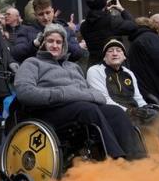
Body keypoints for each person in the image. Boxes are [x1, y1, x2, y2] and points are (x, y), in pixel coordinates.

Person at [14, 24, 147, 161]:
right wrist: (61, 94)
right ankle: (115, 159)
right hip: (49, 111)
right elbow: (24, 92)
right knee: (88, 109)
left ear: (64, 45)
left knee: (115, 111)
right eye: (50, 41)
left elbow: (93, 94)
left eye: (59, 42)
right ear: (43, 43)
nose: (55, 45)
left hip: (78, 108)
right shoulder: (31, 63)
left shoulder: (73, 67)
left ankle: (137, 159)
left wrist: (85, 95)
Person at [86, 39, 159, 128]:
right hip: (113, 113)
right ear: (104, 57)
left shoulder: (129, 73)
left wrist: (145, 108)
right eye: (110, 51)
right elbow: (103, 99)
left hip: (134, 112)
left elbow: (137, 97)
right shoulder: (95, 71)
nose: (114, 53)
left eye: (118, 50)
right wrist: (129, 111)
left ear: (124, 56)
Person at [11, 0, 85, 63]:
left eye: (48, 12)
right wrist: (34, 44)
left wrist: (61, 42)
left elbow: (78, 53)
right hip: (37, 73)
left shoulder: (66, 30)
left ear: (52, 11)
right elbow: (16, 54)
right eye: (41, 14)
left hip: (62, 72)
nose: (45, 17)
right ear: (35, 15)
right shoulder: (25, 30)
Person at [127, 16, 159, 106]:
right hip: (157, 94)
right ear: (157, 25)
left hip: (143, 93)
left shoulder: (135, 41)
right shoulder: (152, 39)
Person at [79, 0, 136, 66]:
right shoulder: (111, 21)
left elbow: (98, 23)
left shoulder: (83, 26)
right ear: (104, 4)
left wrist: (105, 12)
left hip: (94, 65)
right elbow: (133, 26)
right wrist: (121, 9)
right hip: (113, 65)